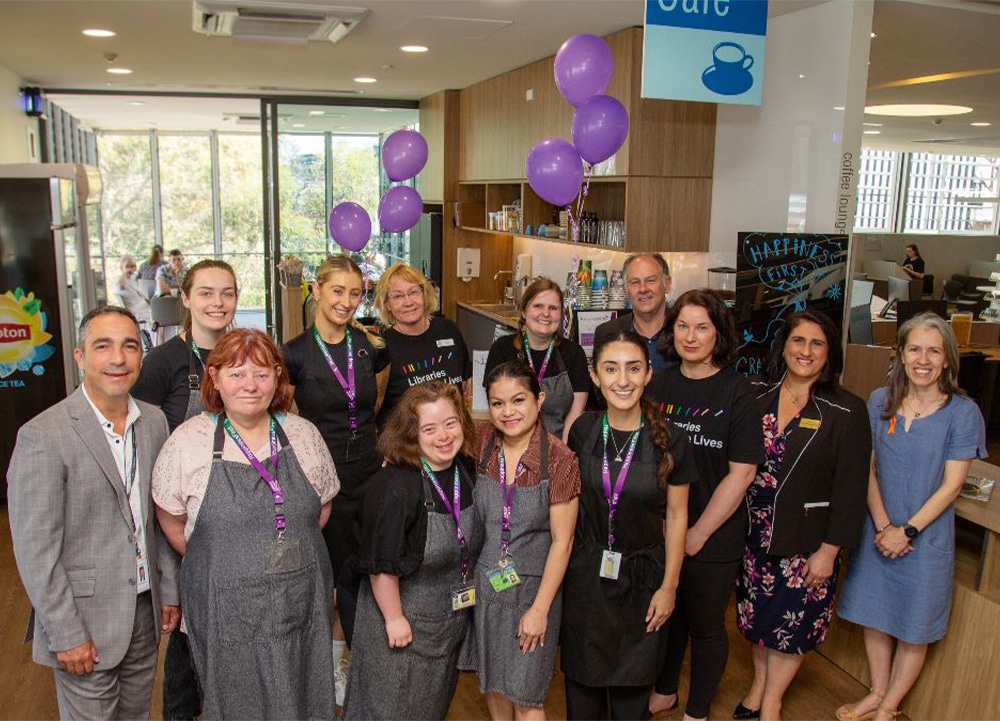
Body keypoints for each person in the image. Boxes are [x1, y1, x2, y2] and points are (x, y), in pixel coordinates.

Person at [152, 328, 339, 719]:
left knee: (303, 693)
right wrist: (236, 558)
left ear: (277, 378)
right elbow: (173, 523)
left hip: (299, 600)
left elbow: (319, 512)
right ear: (215, 379)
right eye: (236, 374)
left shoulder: (304, 435)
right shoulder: (188, 442)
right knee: (237, 703)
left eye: (261, 373)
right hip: (226, 611)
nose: (249, 385)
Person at [7, 306, 180, 720]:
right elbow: (36, 551)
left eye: (129, 346)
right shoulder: (42, 436)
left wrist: (169, 590)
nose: (118, 359)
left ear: (142, 355)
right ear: (80, 356)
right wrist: (65, 632)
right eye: (103, 346)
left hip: (144, 608)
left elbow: (160, 516)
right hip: (83, 618)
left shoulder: (154, 421)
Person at [835, 313, 986, 721]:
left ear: (948, 359)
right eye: (915, 349)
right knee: (876, 613)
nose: (923, 359)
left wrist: (908, 530)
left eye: (934, 350)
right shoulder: (880, 401)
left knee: (913, 625)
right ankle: (876, 691)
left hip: (926, 538)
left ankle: (889, 706)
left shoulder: (963, 412)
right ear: (900, 354)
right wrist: (885, 527)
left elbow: (952, 486)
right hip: (879, 529)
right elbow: (866, 468)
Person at [733, 310, 871, 721]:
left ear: (829, 354)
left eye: (817, 344)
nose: (805, 351)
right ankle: (759, 687)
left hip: (808, 540)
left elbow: (851, 489)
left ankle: (773, 699)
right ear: (784, 346)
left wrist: (829, 551)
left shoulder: (846, 410)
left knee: (792, 628)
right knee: (756, 620)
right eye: (798, 341)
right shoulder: (755, 395)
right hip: (752, 533)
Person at [562, 330, 696, 720]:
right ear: (595, 375)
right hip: (587, 578)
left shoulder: (672, 440)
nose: (623, 380)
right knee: (583, 698)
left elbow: (677, 516)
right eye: (611, 369)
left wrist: (669, 587)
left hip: (643, 580)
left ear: (648, 374)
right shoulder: (582, 431)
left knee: (630, 703)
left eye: (633, 368)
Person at [646, 289, 765, 721]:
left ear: (719, 334)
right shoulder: (659, 384)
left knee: (705, 624)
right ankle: (664, 690)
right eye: (682, 326)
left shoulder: (738, 392)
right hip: (661, 527)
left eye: (702, 327)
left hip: (713, 532)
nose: (690, 337)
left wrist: (697, 532)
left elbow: (742, 473)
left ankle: (696, 710)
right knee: (667, 615)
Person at [131, 258, 238, 721]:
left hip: (237, 506)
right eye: (207, 293)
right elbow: (142, 443)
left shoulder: (245, 353)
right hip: (182, 517)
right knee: (185, 632)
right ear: (187, 300)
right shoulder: (162, 364)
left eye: (227, 293)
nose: (218, 302)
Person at [343, 381, 484, 719]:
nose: (444, 436)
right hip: (399, 626)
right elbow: (380, 567)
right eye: (430, 428)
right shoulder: (395, 486)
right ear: (410, 433)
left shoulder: (462, 471)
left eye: (451, 424)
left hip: (445, 626)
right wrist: (394, 619)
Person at [282, 253, 390, 693]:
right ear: (317, 290)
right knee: (328, 575)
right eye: (337, 291)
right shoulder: (294, 353)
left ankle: (363, 660)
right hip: (320, 477)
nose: (346, 302)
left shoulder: (372, 348)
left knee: (365, 569)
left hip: (368, 472)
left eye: (355, 293)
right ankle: (327, 665)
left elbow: (374, 406)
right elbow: (286, 416)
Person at [462, 360, 580, 721]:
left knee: (528, 695)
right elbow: (433, 439)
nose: (507, 412)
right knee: (493, 683)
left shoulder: (559, 460)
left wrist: (541, 610)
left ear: (539, 400)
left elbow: (563, 541)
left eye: (518, 400)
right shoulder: (481, 442)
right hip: (485, 584)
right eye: (497, 403)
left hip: (533, 591)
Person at [485, 278, 590, 443]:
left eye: (553, 308)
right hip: (510, 446)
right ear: (524, 311)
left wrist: (561, 455)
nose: (546, 314)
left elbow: (575, 414)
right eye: (538, 306)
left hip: (559, 446)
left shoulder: (574, 354)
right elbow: (496, 410)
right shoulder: (502, 349)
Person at [374, 261, 472, 424]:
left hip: (451, 437)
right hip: (406, 443)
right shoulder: (382, 347)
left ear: (424, 293)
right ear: (387, 304)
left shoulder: (449, 330)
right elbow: (375, 407)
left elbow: (464, 388)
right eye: (398, 296)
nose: (408, 302)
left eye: (413, 292)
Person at [595, 253, 673, 372]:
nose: (643, 289)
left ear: (666, 284)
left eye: (650, 280)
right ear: (626, 289)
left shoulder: (684, 330)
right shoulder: (607, 333)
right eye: (635, 282)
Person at [114, 254, 152, 326]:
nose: (130, 269)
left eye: (132, 266)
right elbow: (119, 286)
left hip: (144, 308)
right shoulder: (120, 280)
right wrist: (124, 273)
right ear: (121, 268)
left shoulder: (133, 279)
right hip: (137, 312)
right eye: (127, 266)